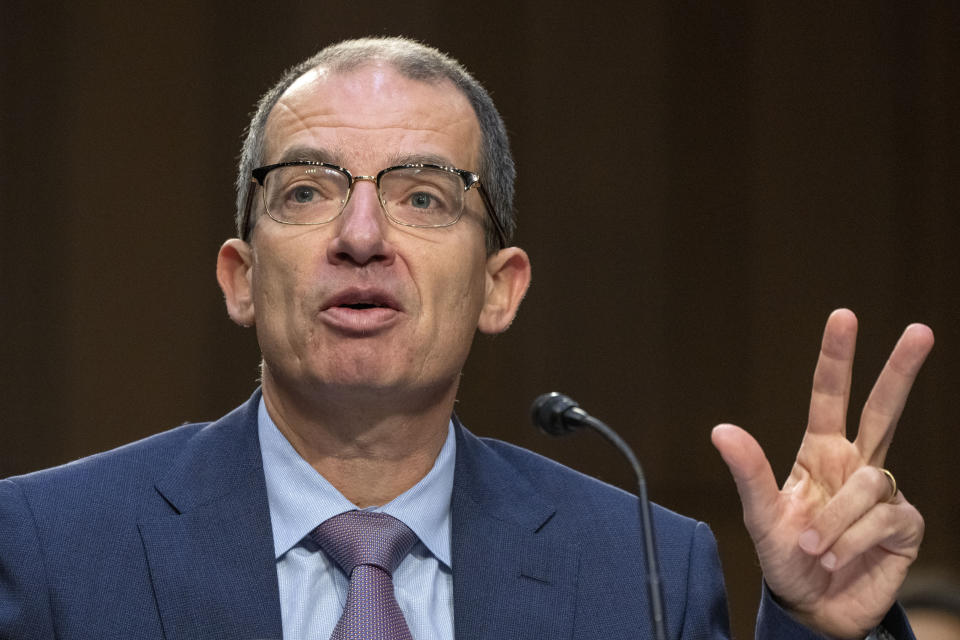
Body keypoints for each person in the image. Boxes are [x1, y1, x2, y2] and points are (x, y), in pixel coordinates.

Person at [0, 37, 934, 639]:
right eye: (307, 192)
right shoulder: (51, 548)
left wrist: (818, 628)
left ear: (500, 286)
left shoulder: (639, 571)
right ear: (241, 278)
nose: (361, 237)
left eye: (422, 197)